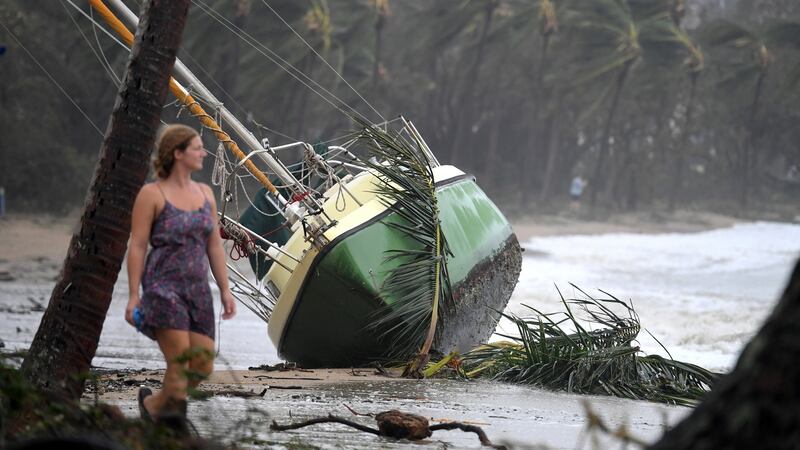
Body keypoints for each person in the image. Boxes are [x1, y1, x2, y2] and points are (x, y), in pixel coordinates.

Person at [125, 124, 236, 423]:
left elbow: (214, 245)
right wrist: (134, 296)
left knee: (201, 365)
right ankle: (172, 425)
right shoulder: (152, 194)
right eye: (197, 147)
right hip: (163, 288)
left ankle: (154, 407)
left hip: (198, 290)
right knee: (179, 361)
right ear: (177, 153)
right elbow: (136, 246)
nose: (204, 152)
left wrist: (225, 290)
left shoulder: (205, 194)